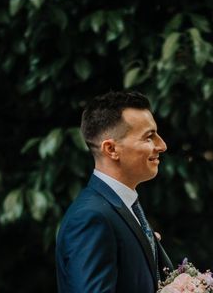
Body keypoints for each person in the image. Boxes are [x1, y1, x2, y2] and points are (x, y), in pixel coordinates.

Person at [56, 91, 174, 293]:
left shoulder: (122, 208)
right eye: (149, 137)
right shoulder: (90, 218)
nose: (162, 145)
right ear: (111, 149)